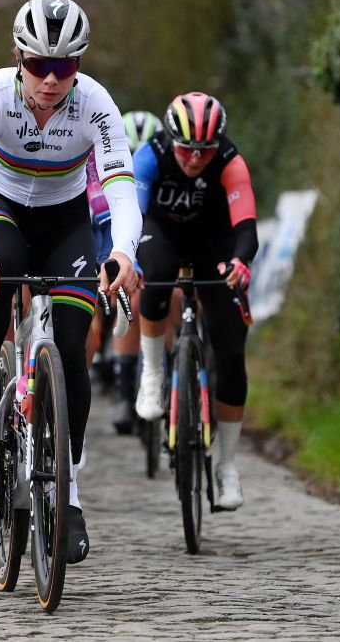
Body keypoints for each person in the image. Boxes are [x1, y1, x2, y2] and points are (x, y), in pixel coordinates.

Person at [0, 0, 141, 564]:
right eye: (39, 65)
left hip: (65, 221)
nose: (53, 79)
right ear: (18, 57)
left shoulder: (96, 104)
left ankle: (70, 493)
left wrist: (125, 252)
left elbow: (121, 188)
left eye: (67, 66)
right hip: (3, 209)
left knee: (72, 346)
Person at [132, 92, 258, 510]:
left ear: (218, 144)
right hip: (163, 235)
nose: (194, 158)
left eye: (205, 150)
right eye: (186, 148)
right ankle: (152, 372)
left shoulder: (230, 161)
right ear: (171, 139)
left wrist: (240, 261)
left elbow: (246, 229)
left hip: (214, 242)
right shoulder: (150, 157)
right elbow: (131, 214)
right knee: (156, 276)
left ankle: (227, 467)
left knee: (230, 349)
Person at [108, 110, 161, 433]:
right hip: (122, 238)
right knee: (131, 301)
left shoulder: (157, 169)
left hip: (156, 235)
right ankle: (126, 395)